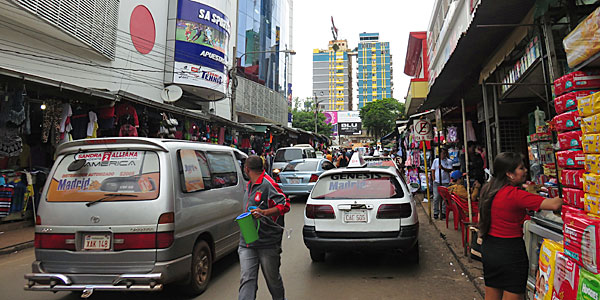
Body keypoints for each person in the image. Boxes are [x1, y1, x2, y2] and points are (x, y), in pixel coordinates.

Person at [478, 152, 562, 300]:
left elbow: (480, 217)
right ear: (509, 174)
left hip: (490, 249)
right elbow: (555, 204)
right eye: (521, 168)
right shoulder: (515, 195)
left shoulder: (487, 189)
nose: (525, 171)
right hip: (510, 253)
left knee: (492, 294)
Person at [239, 155, 290, 300]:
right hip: (247, 241)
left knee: (272, 280)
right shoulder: (249, 184)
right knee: (247, 279)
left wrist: (264, 212)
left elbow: (285, 205)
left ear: (247, 169)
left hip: (267, 242)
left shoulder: (268, 184)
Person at [431, 148, 453, 219]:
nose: (444, 155)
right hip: (437, 182)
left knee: (445, 198)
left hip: (445, 182)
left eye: (445, 153)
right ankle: (436, 212)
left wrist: (443, 168)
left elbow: (450, 170)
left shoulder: (449, 161)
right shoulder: (436, 161)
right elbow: (433, 170)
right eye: (442, 153)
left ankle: (443, 212)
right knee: (436, 197)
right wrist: (434, 179)